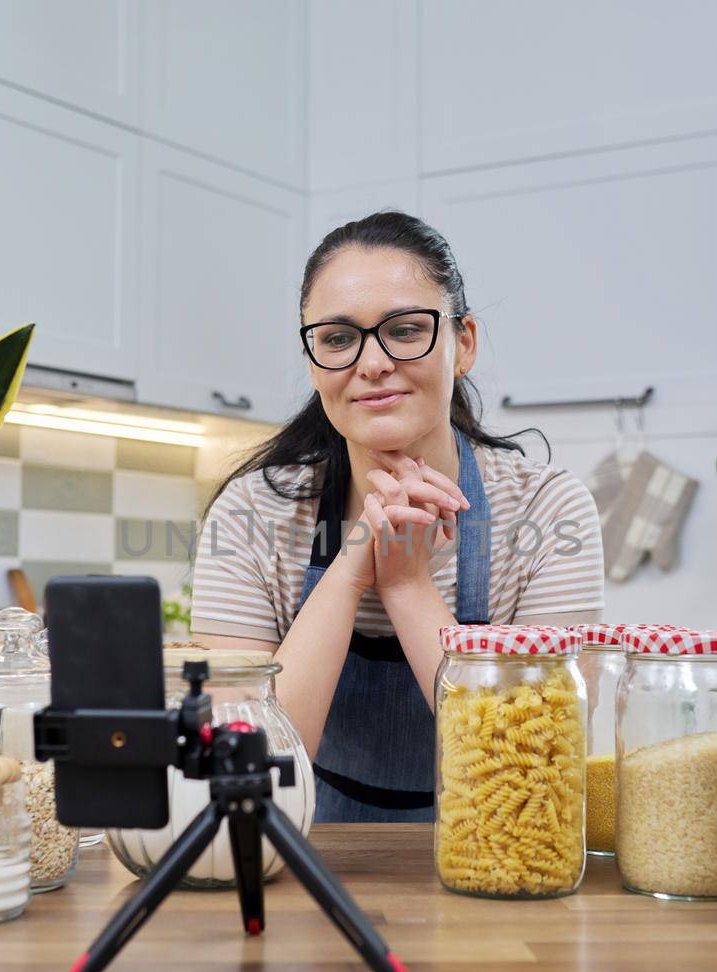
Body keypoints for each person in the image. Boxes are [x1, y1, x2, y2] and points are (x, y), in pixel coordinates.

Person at [190, 211, 604, 822]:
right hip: (299, 858)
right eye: (337, 339)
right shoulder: (254, 512)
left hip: (492, 856)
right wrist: (352, 568)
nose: (372, 362)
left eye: (405, 330)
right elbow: (239, 766)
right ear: (313, 361)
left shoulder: (547, 510)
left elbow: (532, 769)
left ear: (462, 344)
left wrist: (408, 585)